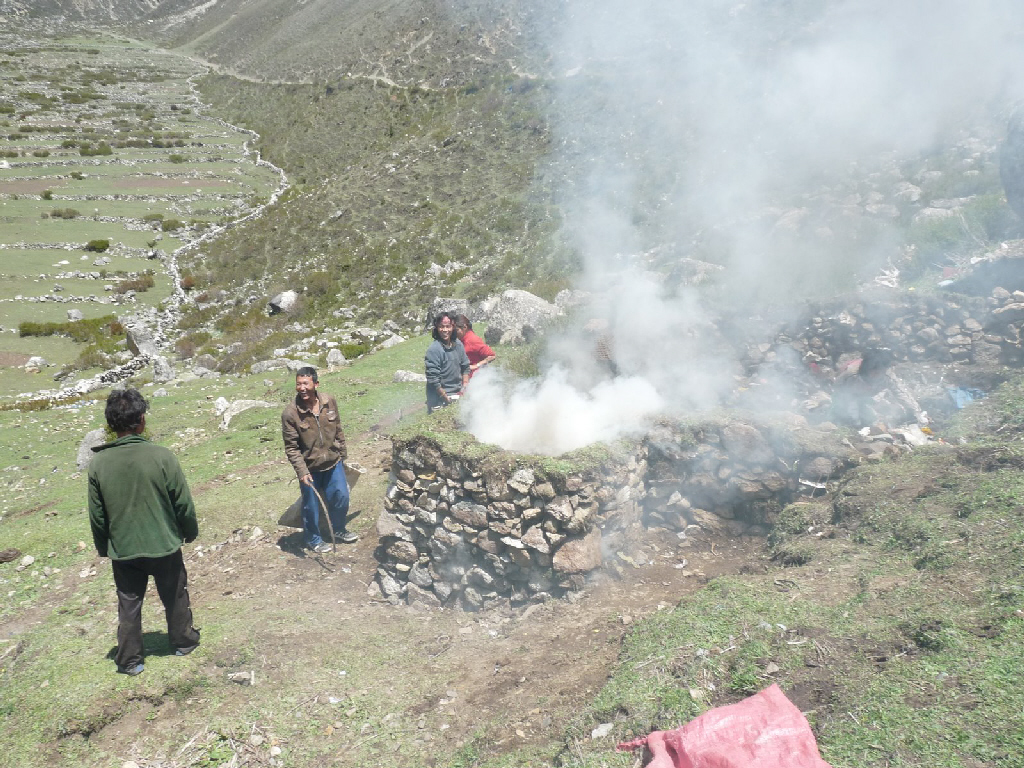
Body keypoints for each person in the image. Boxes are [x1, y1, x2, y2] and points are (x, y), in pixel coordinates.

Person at [88, 388, 200, 677]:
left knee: (128, 604)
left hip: (123, 549)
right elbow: (182, 502)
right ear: (141, 420)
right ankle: (183, 641)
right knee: (174, 594)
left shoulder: (98, 463)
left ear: (112, 424)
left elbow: (97, 515)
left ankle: (129, 659)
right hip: (163, 543)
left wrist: (104, 547)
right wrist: (189, 532)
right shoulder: (162, 456)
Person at [282, 366, 357, 552]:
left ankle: (338, 529)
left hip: (333, 462)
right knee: (311, 507)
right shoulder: (290, 413)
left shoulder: (329, 401)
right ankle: (313, 539)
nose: (302, 388)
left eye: (305, 383)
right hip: (310, 468)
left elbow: (338, 429)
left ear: (316, 384)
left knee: (341, 497)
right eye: (298, 384)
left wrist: (343, 455)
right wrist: (302, 472)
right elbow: (291, 448)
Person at [425, 312, 470, 412]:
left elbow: (465, 366)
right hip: (439, 398)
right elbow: (433, 379)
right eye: (441, 327)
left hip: (458, 393)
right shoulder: (434, 350)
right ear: (436, 328)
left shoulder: (458, 344)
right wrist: (445, 397)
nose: (445, 330)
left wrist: (465, 385)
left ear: (453, 327)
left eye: (448, 326)